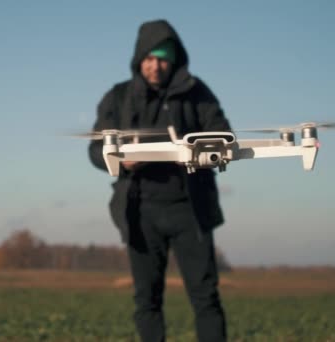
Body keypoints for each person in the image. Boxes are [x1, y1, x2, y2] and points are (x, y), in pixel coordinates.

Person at [88, 19, 231, 342]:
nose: (156, 65)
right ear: (139, 58)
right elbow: (96, 150)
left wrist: (203, 150)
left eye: (163, 58)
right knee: (147, 300)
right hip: (140, 211)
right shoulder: (119, 97)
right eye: (149, 58)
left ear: (175, 59)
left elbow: (223, 135)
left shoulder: (197, 93)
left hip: (190, 210)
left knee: (206, 297)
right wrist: (122, 162)